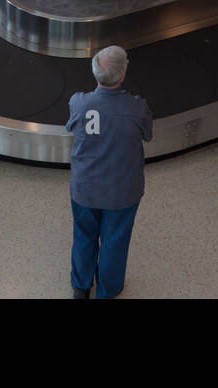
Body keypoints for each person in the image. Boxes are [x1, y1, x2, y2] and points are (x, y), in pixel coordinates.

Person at [66, 45, 152, 299]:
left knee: (83, 235)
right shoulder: (137, 108)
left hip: (85, 188)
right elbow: (147, 134)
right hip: (122, 192)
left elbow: (71, 128)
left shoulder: (78, 102)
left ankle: (81, 287)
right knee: (115, 241)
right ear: (123, 75)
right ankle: (108, 290)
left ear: (94, 73)